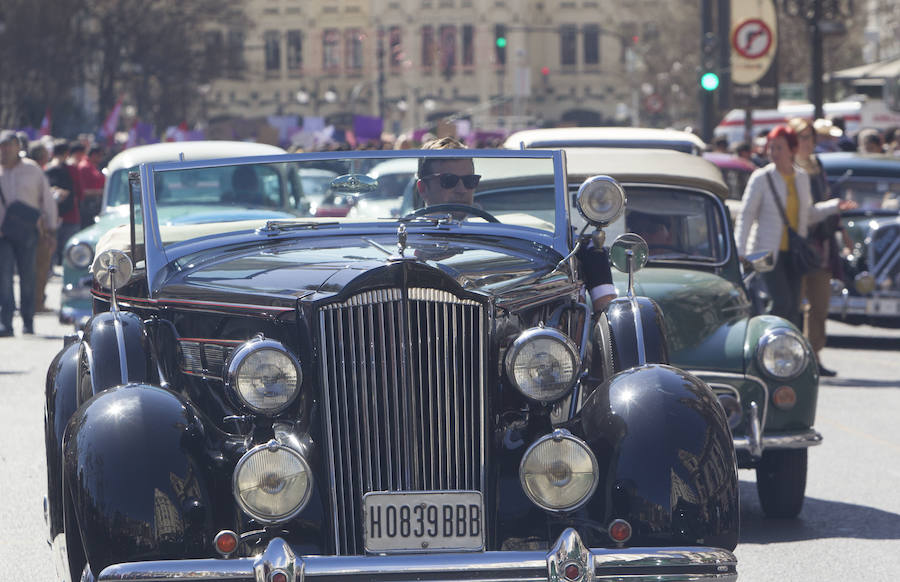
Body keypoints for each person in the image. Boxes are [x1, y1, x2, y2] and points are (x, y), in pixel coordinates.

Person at [734, 124, 856, 330]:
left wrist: (834, 206)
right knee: (782, 302)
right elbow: (746, 216)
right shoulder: (761, 178)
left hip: (794, 252)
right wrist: (740, 251)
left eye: (779, 147)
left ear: (792, 150)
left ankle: (784, 352)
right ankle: (762, 340)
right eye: (771, 147)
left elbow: (807, 215)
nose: (774, 153)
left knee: (793, 307)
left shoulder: (801, 178)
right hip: (764, 253)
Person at [788, 117, 847, 376]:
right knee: (793, 306)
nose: (807, 142)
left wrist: (841, 230)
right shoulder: (788, 167)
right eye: (802, 137)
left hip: (821, 246)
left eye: (811, 137)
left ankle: (814, 357)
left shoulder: (818, 165)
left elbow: (826, 204)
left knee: (820, 306)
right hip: (797, 245)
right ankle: (790, 359)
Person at [0, 130, 58, 336]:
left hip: (28, 232)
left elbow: (47, 200)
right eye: (1, 147)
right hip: (3, 235)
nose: (4, 151)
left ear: (18, 147)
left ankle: (27, 320)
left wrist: (51, 230)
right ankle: (5, 323)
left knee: (28, 277)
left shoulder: (33, 171)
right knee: (4, 279)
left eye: (8, 146)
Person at [77, 144, 105, 228]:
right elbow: (81, 190)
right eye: (99, 156)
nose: (101, 159)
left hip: (94, 205)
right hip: (87, 206)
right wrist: (100, 192)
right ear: (93, 155)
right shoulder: (84, 167)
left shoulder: (93, 166)